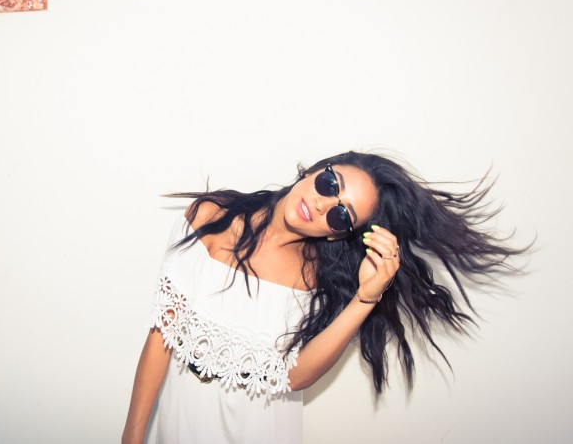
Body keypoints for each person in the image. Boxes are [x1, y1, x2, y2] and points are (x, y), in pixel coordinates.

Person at [122, 151, 526, 444]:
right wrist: (132, 436)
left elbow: (295, 377)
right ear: (317, 169)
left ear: (337, 234)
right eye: (331, 184)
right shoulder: (210, 215)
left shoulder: (315, 280)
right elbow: (162, 334)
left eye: (340, 214)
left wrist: (365, 299)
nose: (321, 205)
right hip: (181, 422)